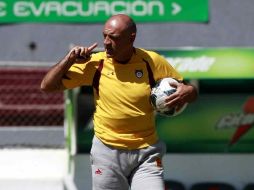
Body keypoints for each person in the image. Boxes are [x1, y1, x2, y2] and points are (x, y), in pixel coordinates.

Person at [41, 14, 197, 190]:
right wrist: (68, 60)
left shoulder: (151, 61)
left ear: (131, 38)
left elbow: (188, 90)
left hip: (146, 153)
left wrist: (190, 90)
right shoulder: (95, 64)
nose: (106, 42)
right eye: (104, 36)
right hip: (107, 153)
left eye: (113, 37)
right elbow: (47, 86)